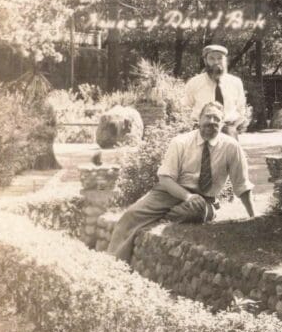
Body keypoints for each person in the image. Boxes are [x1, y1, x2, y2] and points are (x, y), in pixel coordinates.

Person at [107, 102, 255, 262]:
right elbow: (164, 178)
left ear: (222, 123)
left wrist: (253, 217)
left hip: (204, 199)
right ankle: (113, 264)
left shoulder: (231, 147)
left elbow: (242, 185)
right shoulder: (181, 142)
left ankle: (161, 218)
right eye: (208, 116)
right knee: (131, 215)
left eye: (217, 119)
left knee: (195, 210)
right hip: (169, 192)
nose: (211, 121)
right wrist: (187, 197)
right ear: (199, 119)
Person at [183, 44, 247, 138]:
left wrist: (234, 126)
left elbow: (241, 108)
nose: (216, 62)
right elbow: (185, 107)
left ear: (225, 60)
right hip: (202, 131)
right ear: (205, 61)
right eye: (211, 58)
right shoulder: (194, 83)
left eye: (220, 58)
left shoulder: (235, 82)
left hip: (228, 131)